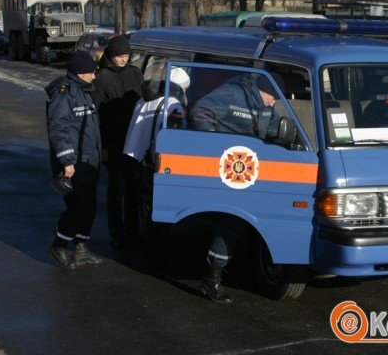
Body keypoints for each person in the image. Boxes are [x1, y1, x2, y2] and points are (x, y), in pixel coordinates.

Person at [190, 72, 283, 304]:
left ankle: (228, 265)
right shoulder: (234, 93)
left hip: (249, 169)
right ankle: (211, 278)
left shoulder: (265, 106)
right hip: (227, 166)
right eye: (273, 97)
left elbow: (272, 131)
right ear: (263, 89)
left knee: (244, 220)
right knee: (232, 221)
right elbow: (201, 109)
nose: (274, 102)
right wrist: (212, 144)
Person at [45, 52, 103, 269]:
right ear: (80, 73)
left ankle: (81, 248)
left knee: (90, 206)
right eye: (91, 72)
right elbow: (58, 130)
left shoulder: (84, 91)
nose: (94, 77)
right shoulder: (64, 93)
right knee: (78, 207)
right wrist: (67, 162)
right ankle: (58, 247)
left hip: (89, 159)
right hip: (75, 163)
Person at [123, 67, 191, 232]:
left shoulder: (144, 99)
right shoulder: (174, 105)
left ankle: (132, 234)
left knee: (133, 199)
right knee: (154, 206)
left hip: (133, 156)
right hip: (154, 162)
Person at [92, 35, 143, 248]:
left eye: (126, 55)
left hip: (135, 139)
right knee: (116, 188)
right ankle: (116, 231)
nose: (123, 59)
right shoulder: (102, 77)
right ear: (111, 56)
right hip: (113, 141)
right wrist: (102, 145)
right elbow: (96, 114)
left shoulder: (135, 73)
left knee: (134, 187)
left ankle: (133, 229)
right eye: (120, 56)